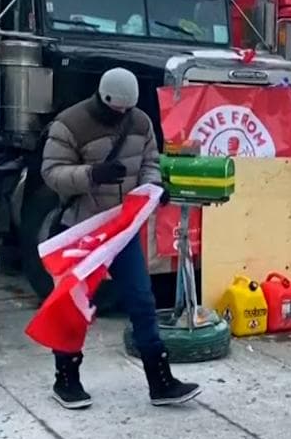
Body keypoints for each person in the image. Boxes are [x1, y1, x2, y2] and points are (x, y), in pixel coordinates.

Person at [41, 67, 201, 409]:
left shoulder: (140, 122)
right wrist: (91, 175)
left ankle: (160, 381)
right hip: (84, 229)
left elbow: (150, 161)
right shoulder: (69, 124)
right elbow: (51, 173)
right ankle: (66, 379)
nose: (121, 116)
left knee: (142, 301)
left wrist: (153, 186)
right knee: (74, 306)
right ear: (102, 98)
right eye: (116, 111)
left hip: (122, 229)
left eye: (127, 111)